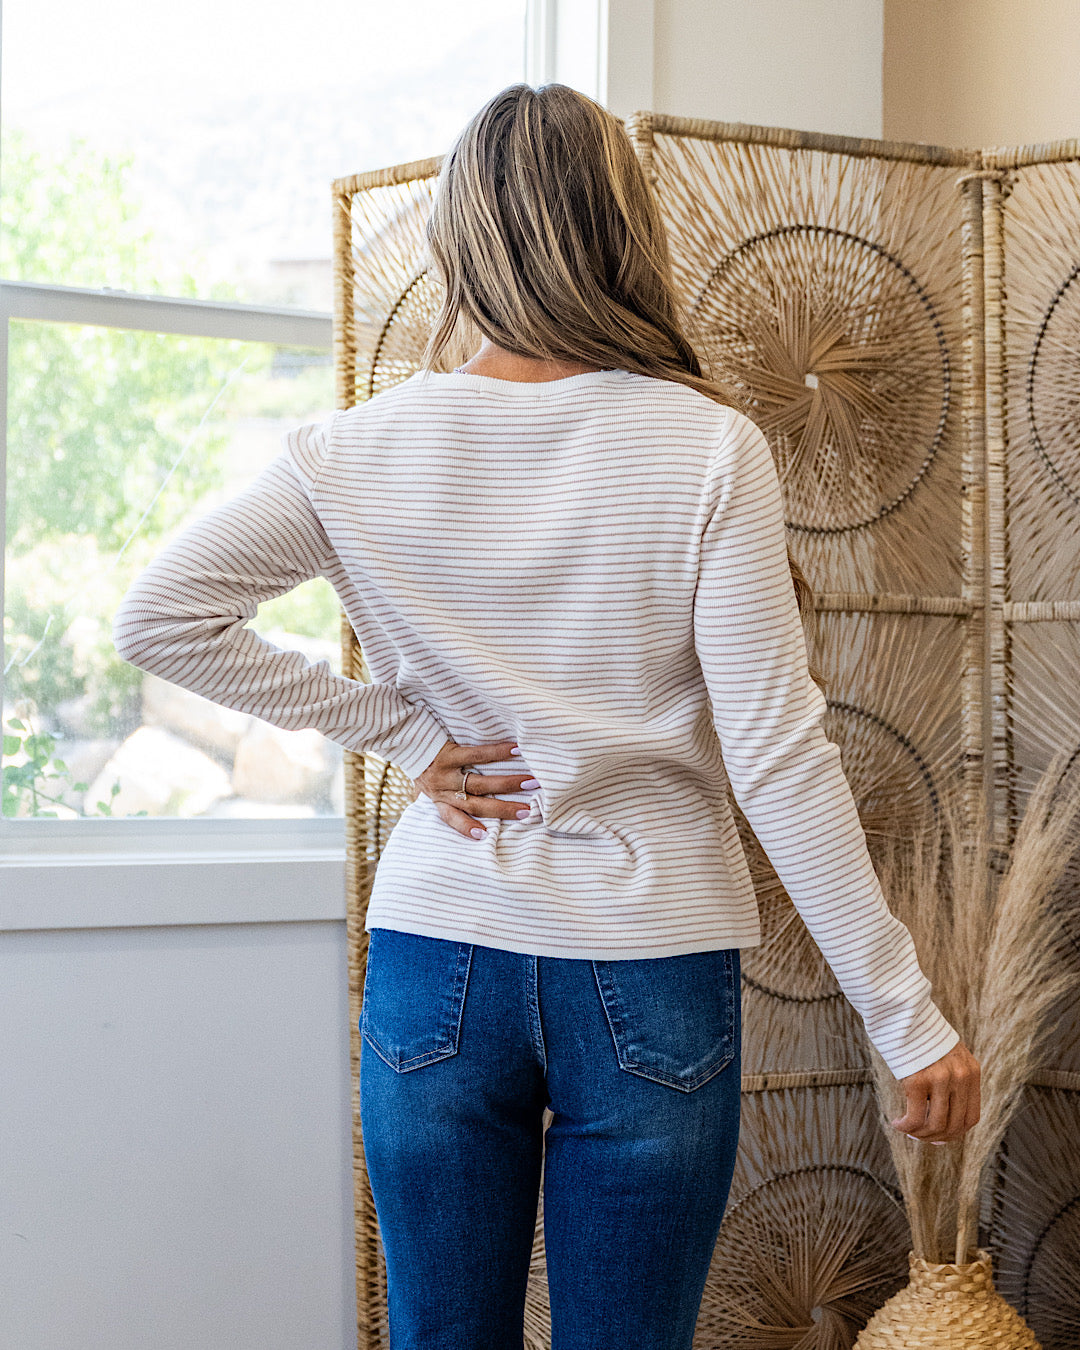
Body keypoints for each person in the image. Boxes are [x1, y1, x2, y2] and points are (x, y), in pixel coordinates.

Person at [113, 82, 980, 1350]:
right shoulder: (707, 449)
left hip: (438, 955)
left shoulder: (352, 451)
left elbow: (161, 618)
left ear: (458, 239)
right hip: (651, 961)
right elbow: (780, 759)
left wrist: (409, 738)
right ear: (627, 231)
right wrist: (905, 1016)